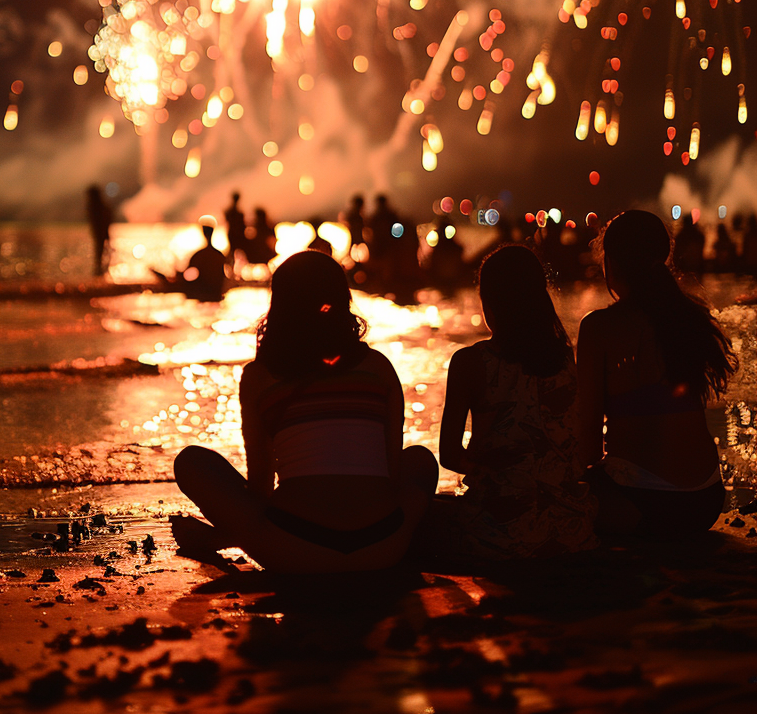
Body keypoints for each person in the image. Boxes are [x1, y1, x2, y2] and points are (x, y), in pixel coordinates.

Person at [172, 250, 438, 573]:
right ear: (342, 302)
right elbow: (391, 474)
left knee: (191, 461)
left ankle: (223, 539)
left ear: (280, 307)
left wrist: (234, 530)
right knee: (421, 460)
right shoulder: (379, 368)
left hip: (296, 551)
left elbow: (260, 490)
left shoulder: (259, 377)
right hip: (382, 547)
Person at [577, 210, 738, 539]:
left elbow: (588, 442)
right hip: (706, 500)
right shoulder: (691, 317)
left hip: (642, 505)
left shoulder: (599, 328)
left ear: (613, 262)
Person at [438, 245, 596, 558]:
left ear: (489, 304)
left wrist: (486, 468)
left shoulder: (470, 362)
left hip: (500, 531)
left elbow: (449, 455)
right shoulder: (564, 359)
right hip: (570, 527)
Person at [152, 220, 228, 302]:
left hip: (203, 291)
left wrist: (177, 275)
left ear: (203, 233)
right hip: (216, 292)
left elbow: (185, 275)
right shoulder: (219, 255)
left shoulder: (199, 255)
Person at [85, 185, 113, 276]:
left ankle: (100, 271)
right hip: (100, 232)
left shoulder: (95, 207)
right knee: (102, 250)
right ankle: (101, 271)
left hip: (100, 232)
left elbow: (101, 220)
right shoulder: (99, 206)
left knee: (100, 250)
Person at [224, 191, 248, 271]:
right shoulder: (236, 213)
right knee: (235, 253)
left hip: (233, 234)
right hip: (236, 235)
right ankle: (233, 271)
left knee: (232, 253)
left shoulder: (231, 212)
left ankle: (232, 271)